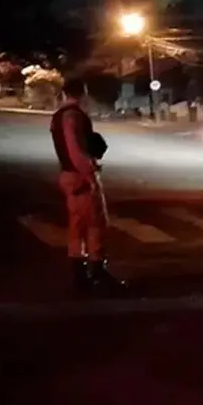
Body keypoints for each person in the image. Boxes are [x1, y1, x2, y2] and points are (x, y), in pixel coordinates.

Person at [50, 78, 127, 293]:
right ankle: (96, 270)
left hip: (69, 175)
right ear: (82, 92)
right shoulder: (72, 116)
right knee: (95, 224)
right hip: (79, 176)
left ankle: (80, 273)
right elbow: (75, 150)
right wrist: (89, 173)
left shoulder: (59, 116)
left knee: (77, 225)